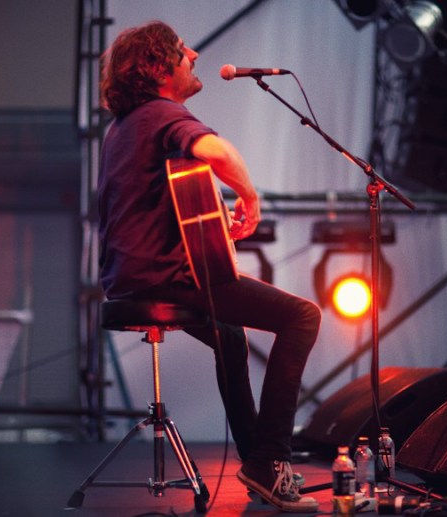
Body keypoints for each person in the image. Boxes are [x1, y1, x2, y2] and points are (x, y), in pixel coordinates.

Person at [97, 21, 321, 513]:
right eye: (181, 50)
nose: (194, 54)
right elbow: (214, 150)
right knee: (303, 316)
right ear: (159, 68)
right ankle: (272, 459)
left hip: (129, 279)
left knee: (233, 337)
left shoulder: (123, 128)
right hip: (172, 278)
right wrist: (249, 196)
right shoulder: (162, 114)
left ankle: (257, 463)